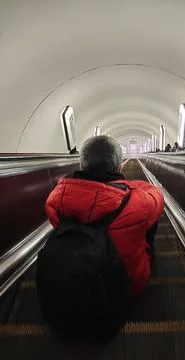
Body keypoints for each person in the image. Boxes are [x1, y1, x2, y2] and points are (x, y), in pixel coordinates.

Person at [37, 135, 164, 338]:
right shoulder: (138, 202)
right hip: (123, 287)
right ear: (119, 166)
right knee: (149, 226)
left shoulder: (55, 200)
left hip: (71, 275)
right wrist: (128, 184)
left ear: (81, 164)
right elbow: (157, 194)